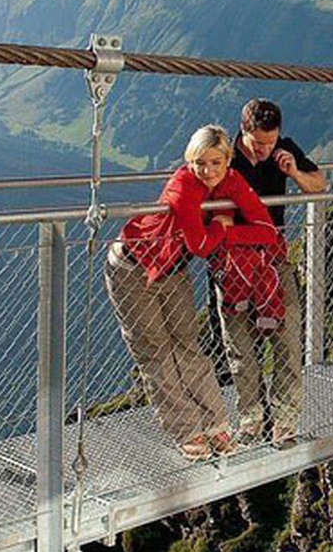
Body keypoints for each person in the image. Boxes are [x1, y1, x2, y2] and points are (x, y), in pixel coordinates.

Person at [105, 124, 280, 461]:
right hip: (132, 266)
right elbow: (200, 245)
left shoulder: (232, 182)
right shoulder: (183, 185)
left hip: (172, 268)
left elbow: (267, 231)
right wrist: (221, 225)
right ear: (191, 161)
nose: (208, 170)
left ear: (228, 160)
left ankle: (216, 424)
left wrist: (226, 233)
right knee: (156, 351)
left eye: (216, 162)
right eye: (200, 162)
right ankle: (187, 430)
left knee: (187, 346)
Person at [218, 98, 326, 447]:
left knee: (287, 338)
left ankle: (284, 423)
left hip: (273, 257)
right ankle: (251, 420)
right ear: (243, 132)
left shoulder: (283, 148)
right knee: (240, 347)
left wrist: (293, 172)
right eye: (259, 143)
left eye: (271, 141)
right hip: (231, 261)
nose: (266, 149)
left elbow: (319, 185)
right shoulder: (223, 154)